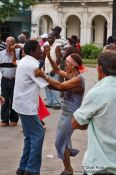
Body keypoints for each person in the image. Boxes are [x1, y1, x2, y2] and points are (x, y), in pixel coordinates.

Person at [35, 52, 85, 175]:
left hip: (71, 116)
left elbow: (61, 86)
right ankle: (68, 169)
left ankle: (68, 169)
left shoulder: (78, 79)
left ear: (73, 65)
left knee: (59, 142)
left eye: (67, 62)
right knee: (63, 142)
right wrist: (49, 57)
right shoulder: (70, 74)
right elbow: (57, 70)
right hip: (64, 114)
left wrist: (44, 76)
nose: (65, 64)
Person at [72, 51, 116, 175]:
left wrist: (91, 121)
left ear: (100, 69)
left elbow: (75, 123)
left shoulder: (97, 92)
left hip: (98, 165)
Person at [12, 40, 49, 175]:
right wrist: (66, 85)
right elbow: (46, 82)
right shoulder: (32, 64)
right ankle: (31, 170)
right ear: (33, 51)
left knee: (30, 136)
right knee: (38, 134)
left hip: (21, 104)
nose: (41, 51)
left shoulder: (24, 60)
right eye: (39, 49)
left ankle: (23, 168)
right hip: (26, 105)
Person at [0, 36, 20, 127]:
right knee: (4, 100)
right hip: (4, 79)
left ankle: (14, 119)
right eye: (7, 42)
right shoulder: (1, 53)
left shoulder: (18, 52)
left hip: (15, 80)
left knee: (14, 100)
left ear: (14, 44)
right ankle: (4, 120)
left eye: (11, 42)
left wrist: (16, 49)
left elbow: (16, 63)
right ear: (5, 43)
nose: (9, 44)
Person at [44, 33, 62, 109]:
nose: (49, 39)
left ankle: (57, 103)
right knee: (47, 87)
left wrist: (54, 70)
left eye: (51, 38)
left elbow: (58, 59)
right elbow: (45, 58)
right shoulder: (47, 46)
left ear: (54, 38)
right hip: (47, 70)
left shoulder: (57, 47)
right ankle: (50, 102)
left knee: (55, 86)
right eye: (48, 38)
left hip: (53, 70)